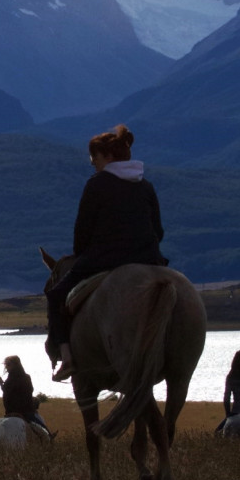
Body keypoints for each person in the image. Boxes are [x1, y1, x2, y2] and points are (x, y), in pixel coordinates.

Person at [46, 124, 167, 383]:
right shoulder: (145, 186)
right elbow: (158, 230)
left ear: (108, 157)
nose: (92, 162)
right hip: (149, 259)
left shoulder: (97, 184)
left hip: (104, 260)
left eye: (95, 157)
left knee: (55, 294)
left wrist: (82, 254)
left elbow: (82, 230)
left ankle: (66, 357)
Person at [0, 354, 52, 435]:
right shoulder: (25, 377)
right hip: (25, 411)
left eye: (8, 365)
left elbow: (7, 391)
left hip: (10, 411)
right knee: (41, 426)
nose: (6, 367)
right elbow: (29, 391)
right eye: (6, 365)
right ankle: (49, 435)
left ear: (15, 365)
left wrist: (2, 384)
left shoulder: (10, 379)